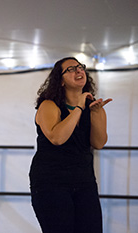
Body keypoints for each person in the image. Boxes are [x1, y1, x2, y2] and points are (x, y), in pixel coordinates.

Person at [29, 57, 112, 233]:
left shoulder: (95, 107)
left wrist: (95, 113)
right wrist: (79, 108)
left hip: (84, 181)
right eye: (71, 69)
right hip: (50, 182)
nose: (79, 71)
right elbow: (57, 138)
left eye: (80, 67)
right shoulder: (48, 105)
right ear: (60, 81)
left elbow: (98, 143)